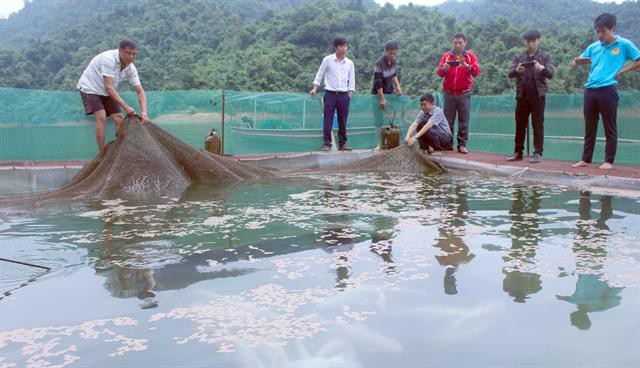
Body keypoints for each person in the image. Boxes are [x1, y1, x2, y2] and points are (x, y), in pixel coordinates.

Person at [571, 13, 640, 170]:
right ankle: (585, 159)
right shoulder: (593, 47)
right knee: (589, 126)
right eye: (598, 32)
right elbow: (576, 63)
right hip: (590, 90)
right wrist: (576, 62)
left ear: (612, 28)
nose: (600, 35)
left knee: (610, 126)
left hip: (608, 90)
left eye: (603, 31)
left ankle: (608, 161)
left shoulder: (624, 44)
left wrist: (623, 71)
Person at [77, 39, 149, 154]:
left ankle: (120, 150)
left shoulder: (131, 68)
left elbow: (140, 91)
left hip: (106, 90)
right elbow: (109, 87)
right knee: (101, 117)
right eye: (128, 53)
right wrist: (126, 107)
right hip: (90, 87)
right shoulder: (108, 59)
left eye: (134, 54)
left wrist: (144, 112)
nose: (131, 57)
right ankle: (102, 154)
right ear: (120, 51)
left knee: (119, 117)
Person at [506, 29, 555, 163]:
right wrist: (517, 70)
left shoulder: (545, 56)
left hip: (538, 96)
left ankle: (538, 153)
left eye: (533, 41)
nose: (531, 44)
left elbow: (551, 73)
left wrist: (541, 68)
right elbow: (509, 73)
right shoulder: (519, 57)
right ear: (525, 42)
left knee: (537, 125)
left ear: (538, 41)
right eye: (528, 41)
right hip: (522, 95)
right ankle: (518, 152)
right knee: (520, 125)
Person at [437, 33, 481, 154]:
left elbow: (477, 71)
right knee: (448, 121)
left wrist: (466, 65)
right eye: (455, 42)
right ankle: (448, 144)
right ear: (453, 43)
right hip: (449, 93)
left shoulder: (470, 56)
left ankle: (462, 145)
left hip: (464, 93)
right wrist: (444, 69)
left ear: (465, 43)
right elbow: (440, 73)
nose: (457, 45)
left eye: (460, 42)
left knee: (463, 121)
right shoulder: (447, 56)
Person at [310, 37, 356, 152]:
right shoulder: (328, 60)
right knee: (328, 119)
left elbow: (352, 80)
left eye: (345, 46)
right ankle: (327, 144)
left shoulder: (349, 63)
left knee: (343, 120)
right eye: (341, 46)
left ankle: (343, 144)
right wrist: (315, 88)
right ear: (336, 47)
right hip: (330, 94)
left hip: (344, 95)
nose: (344, 48)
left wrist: (350, 93)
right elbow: (319, 74)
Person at [372, 42, 403, 129]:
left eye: (394, 53)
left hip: (390, 91)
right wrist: (382, 99)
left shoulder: (394, 61)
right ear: (385, 51)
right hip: (378, 93)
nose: (392, 55)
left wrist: (398, 87)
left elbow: (394, 75)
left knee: (391, 114)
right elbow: (378, 83)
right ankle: (378, 139)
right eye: (390, 53)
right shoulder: (379, 63)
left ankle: (390, 135)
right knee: (379, 118)